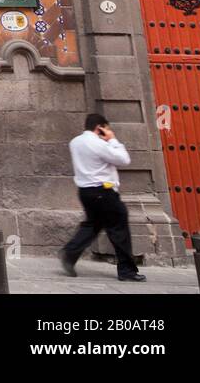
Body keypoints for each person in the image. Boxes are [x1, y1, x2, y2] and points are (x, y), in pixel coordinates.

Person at [60, 113, 145, 281]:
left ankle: (70, 253)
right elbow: (123, 159)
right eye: (107, 128)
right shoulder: (97, 143)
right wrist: (112, 139)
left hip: (85, 191)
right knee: (119, 227)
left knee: (93, 224)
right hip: (103, 191)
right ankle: (127, 270)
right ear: (99, 128)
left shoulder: (75, 142)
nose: (109, 131)